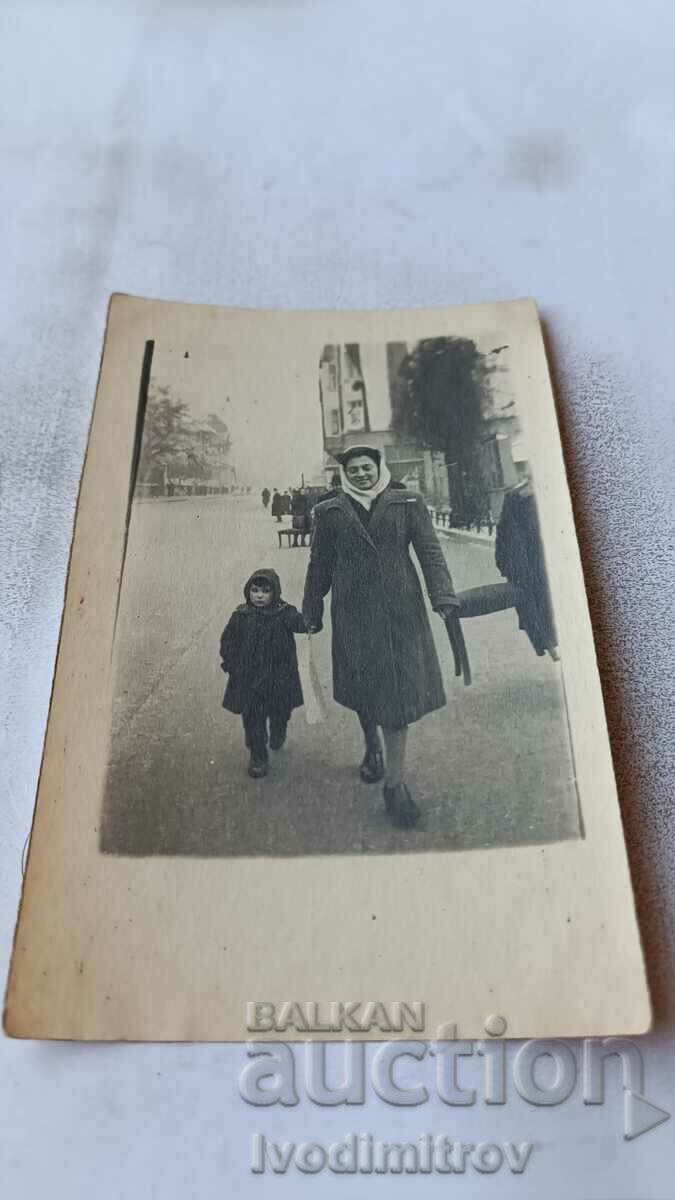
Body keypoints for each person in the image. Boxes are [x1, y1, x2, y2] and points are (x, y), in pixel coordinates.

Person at [302, 445, 459, 828]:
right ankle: (371, 745)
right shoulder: (329, 511)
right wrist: (312, 609)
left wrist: (442, 596)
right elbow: (319, 564)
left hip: (400, 614)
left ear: (378, 467)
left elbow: (430, 552)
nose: (360, 474)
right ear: (344, 474)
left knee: (397, 698)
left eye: (366, 467)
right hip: (353, 615)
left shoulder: (407, 501)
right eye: (353, 469)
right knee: (365, 689)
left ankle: (395, 784)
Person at [219, 568, 307, 778]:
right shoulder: (241, 616)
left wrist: (309, 621)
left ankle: (279, 728)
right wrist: (232, 663)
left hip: (278, 677)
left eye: (265, 591)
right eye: (255, 590)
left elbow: (299, 623)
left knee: (280, 709)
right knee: (252, 717)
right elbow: (227, 641)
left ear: (275, 592)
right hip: (250, 679)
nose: (259, 596)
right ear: (248, 591)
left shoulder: (284, 612)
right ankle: (258, 754)